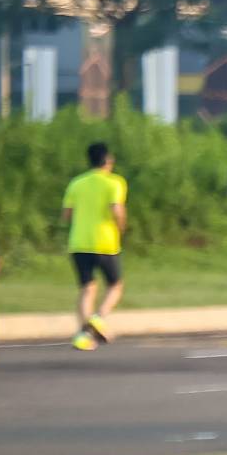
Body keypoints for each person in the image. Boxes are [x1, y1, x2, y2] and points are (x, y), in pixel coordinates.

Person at [62, 141, 129, 351]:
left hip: (79, 243)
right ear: (107, 160)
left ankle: (83, 336)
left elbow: (66, 215)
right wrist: (121, 228)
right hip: (105, 243)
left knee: (87, 289)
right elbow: (117, 209)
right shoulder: (115, 182)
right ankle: (98, 318)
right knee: (115, 285)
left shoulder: (76, 183)